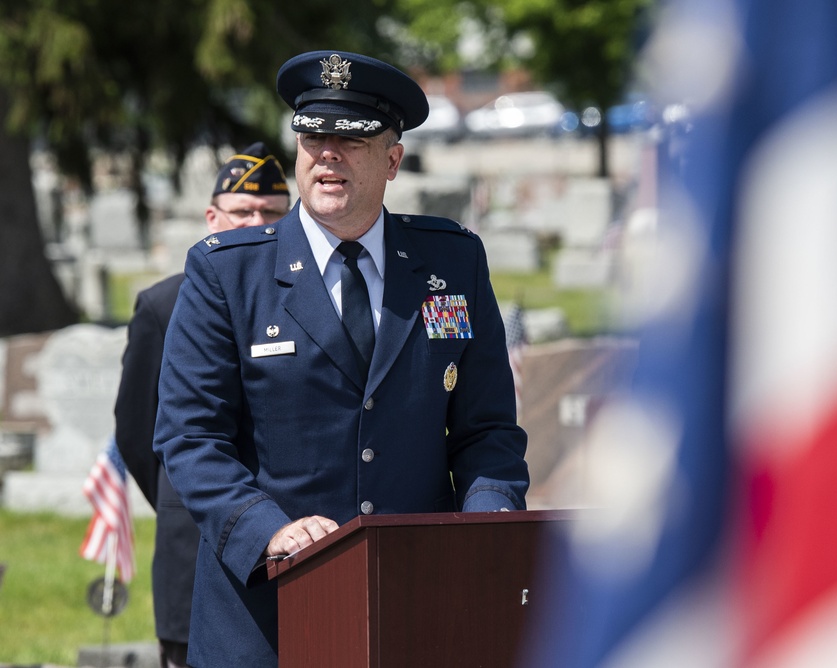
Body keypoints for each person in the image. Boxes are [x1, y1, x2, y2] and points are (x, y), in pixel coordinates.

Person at [152, 50, 530, 667]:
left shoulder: (451, 263)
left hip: (418, 608)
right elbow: (190, 437)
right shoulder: (228, 274)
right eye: (313, 136)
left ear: (392, 160)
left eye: (350, 140)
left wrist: (482, 533)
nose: (328, 153)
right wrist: (264, 527)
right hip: (266, 618)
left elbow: (486, 430)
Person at [115, 143, 290, 668]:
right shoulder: (165, 305)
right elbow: (138, 434)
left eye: (271, 213)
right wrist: (187, 496)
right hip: (193, 540)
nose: (255, 222)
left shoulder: (302, 299)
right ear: (212, 218)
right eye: (242, 212)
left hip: (280, 538)